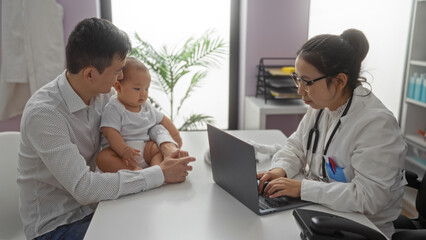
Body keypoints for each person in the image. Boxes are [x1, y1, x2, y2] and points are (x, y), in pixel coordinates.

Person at [17, 18, 195, 240]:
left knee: (163, 222)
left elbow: (147, 122)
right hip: (56, 226)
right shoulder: (44, 114)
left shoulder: (105, 97)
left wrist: (168, 147)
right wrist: (159, 173)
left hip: (97, 207)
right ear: (90, 74)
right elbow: (84, 188)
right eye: (118, 71)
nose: (121, 77)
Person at [257, 29, 407, 238]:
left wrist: (302, 189)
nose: (300, 90)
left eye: (307, 82)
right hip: (321, 211)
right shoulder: (321, 105)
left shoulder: (376, 123)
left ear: (340, 81)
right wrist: (280, 170)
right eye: (297, 79)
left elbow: (369, 198)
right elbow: (295, 146)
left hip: (363, 228)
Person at [96, 57, 183, 172]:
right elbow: (110, 132)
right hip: (121, 152)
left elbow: (163, 119)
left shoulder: (146, 107)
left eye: (146, 89)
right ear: (118, 87)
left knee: (157, 149)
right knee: (103, 158)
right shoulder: (114, 107)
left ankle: (156, 170)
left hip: (144, 147)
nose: (143, 93)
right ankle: (134, 171)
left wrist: (176, 139)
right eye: (137, 89)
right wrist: (124, 150)